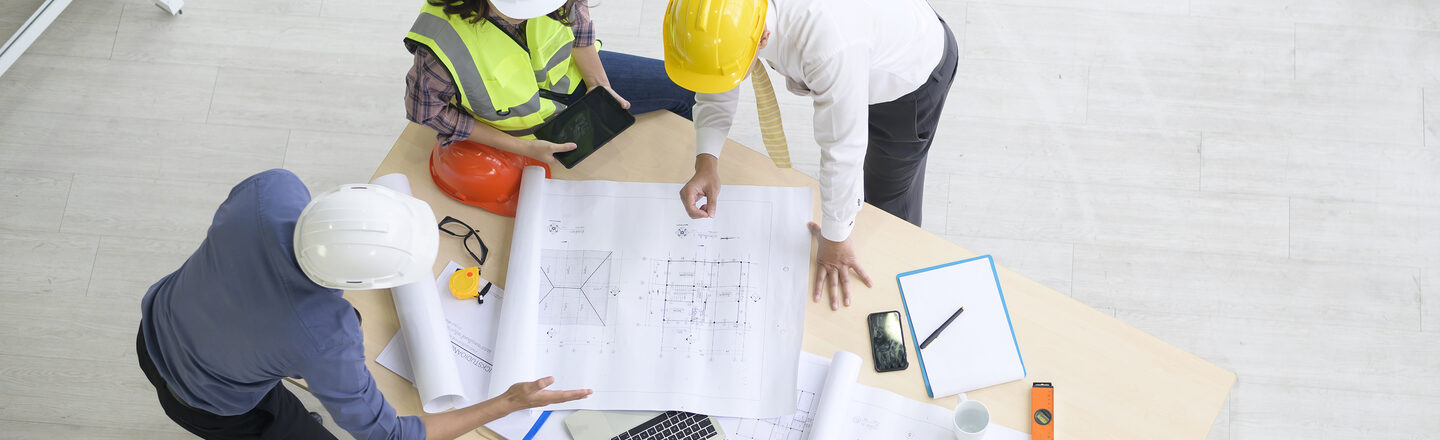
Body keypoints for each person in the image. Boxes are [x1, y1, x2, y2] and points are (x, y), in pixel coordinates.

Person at [137, 169, 590, 439]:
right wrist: (505, 403)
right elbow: (389, 436)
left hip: (157, 322)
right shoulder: (327, 336)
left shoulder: (271, 191)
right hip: (205, 400)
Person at [664, 0, 959, 310]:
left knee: (888, 199)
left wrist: (834, 241)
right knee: (851, 179)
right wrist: (706, 162)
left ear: (763, 37)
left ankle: (897, 279)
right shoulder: (720, 14)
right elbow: (715, 75)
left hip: (910, 78)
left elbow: (843, 149)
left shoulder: (828, 43)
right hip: (864, 44)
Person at [404, 0, 696, 170]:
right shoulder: (440, 43)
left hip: (575, 84)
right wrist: (522, 148)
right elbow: (425, 112)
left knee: (686, 88)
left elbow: (578, 27)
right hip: (523, 132)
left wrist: (599, 84)